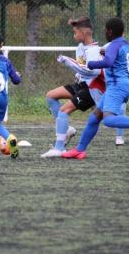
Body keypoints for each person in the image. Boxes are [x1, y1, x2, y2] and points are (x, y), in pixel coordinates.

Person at [62, 17, 129, 160]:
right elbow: (126, 55)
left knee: (108, 120)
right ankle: (79, 150)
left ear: (110, 32)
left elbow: (108, 62)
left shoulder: (113, 45)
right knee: (94, 118)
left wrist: (91, 64)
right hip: (123, 84)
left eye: (106, 30)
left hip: (116, 86)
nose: (105, 33)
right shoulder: (125, 44)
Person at [41, 16, 105, 158]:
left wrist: (67, 61)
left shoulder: (94, 51)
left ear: (84, 33)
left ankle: (59, 149)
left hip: (91, 89)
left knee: (64, 111)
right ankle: (67, 129)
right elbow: (81, 69)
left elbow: (90, 71)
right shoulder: (81, 48)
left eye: (75, 32)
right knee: (50, 96)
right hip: (81, 85)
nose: (74, 35)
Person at [101, 40, 129, 146]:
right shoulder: (105, 47)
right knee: (101, 109)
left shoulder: (127, 46)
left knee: (122, 109)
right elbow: (102, 64)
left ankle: (119, 137)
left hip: (122, 83)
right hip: (110, 83)